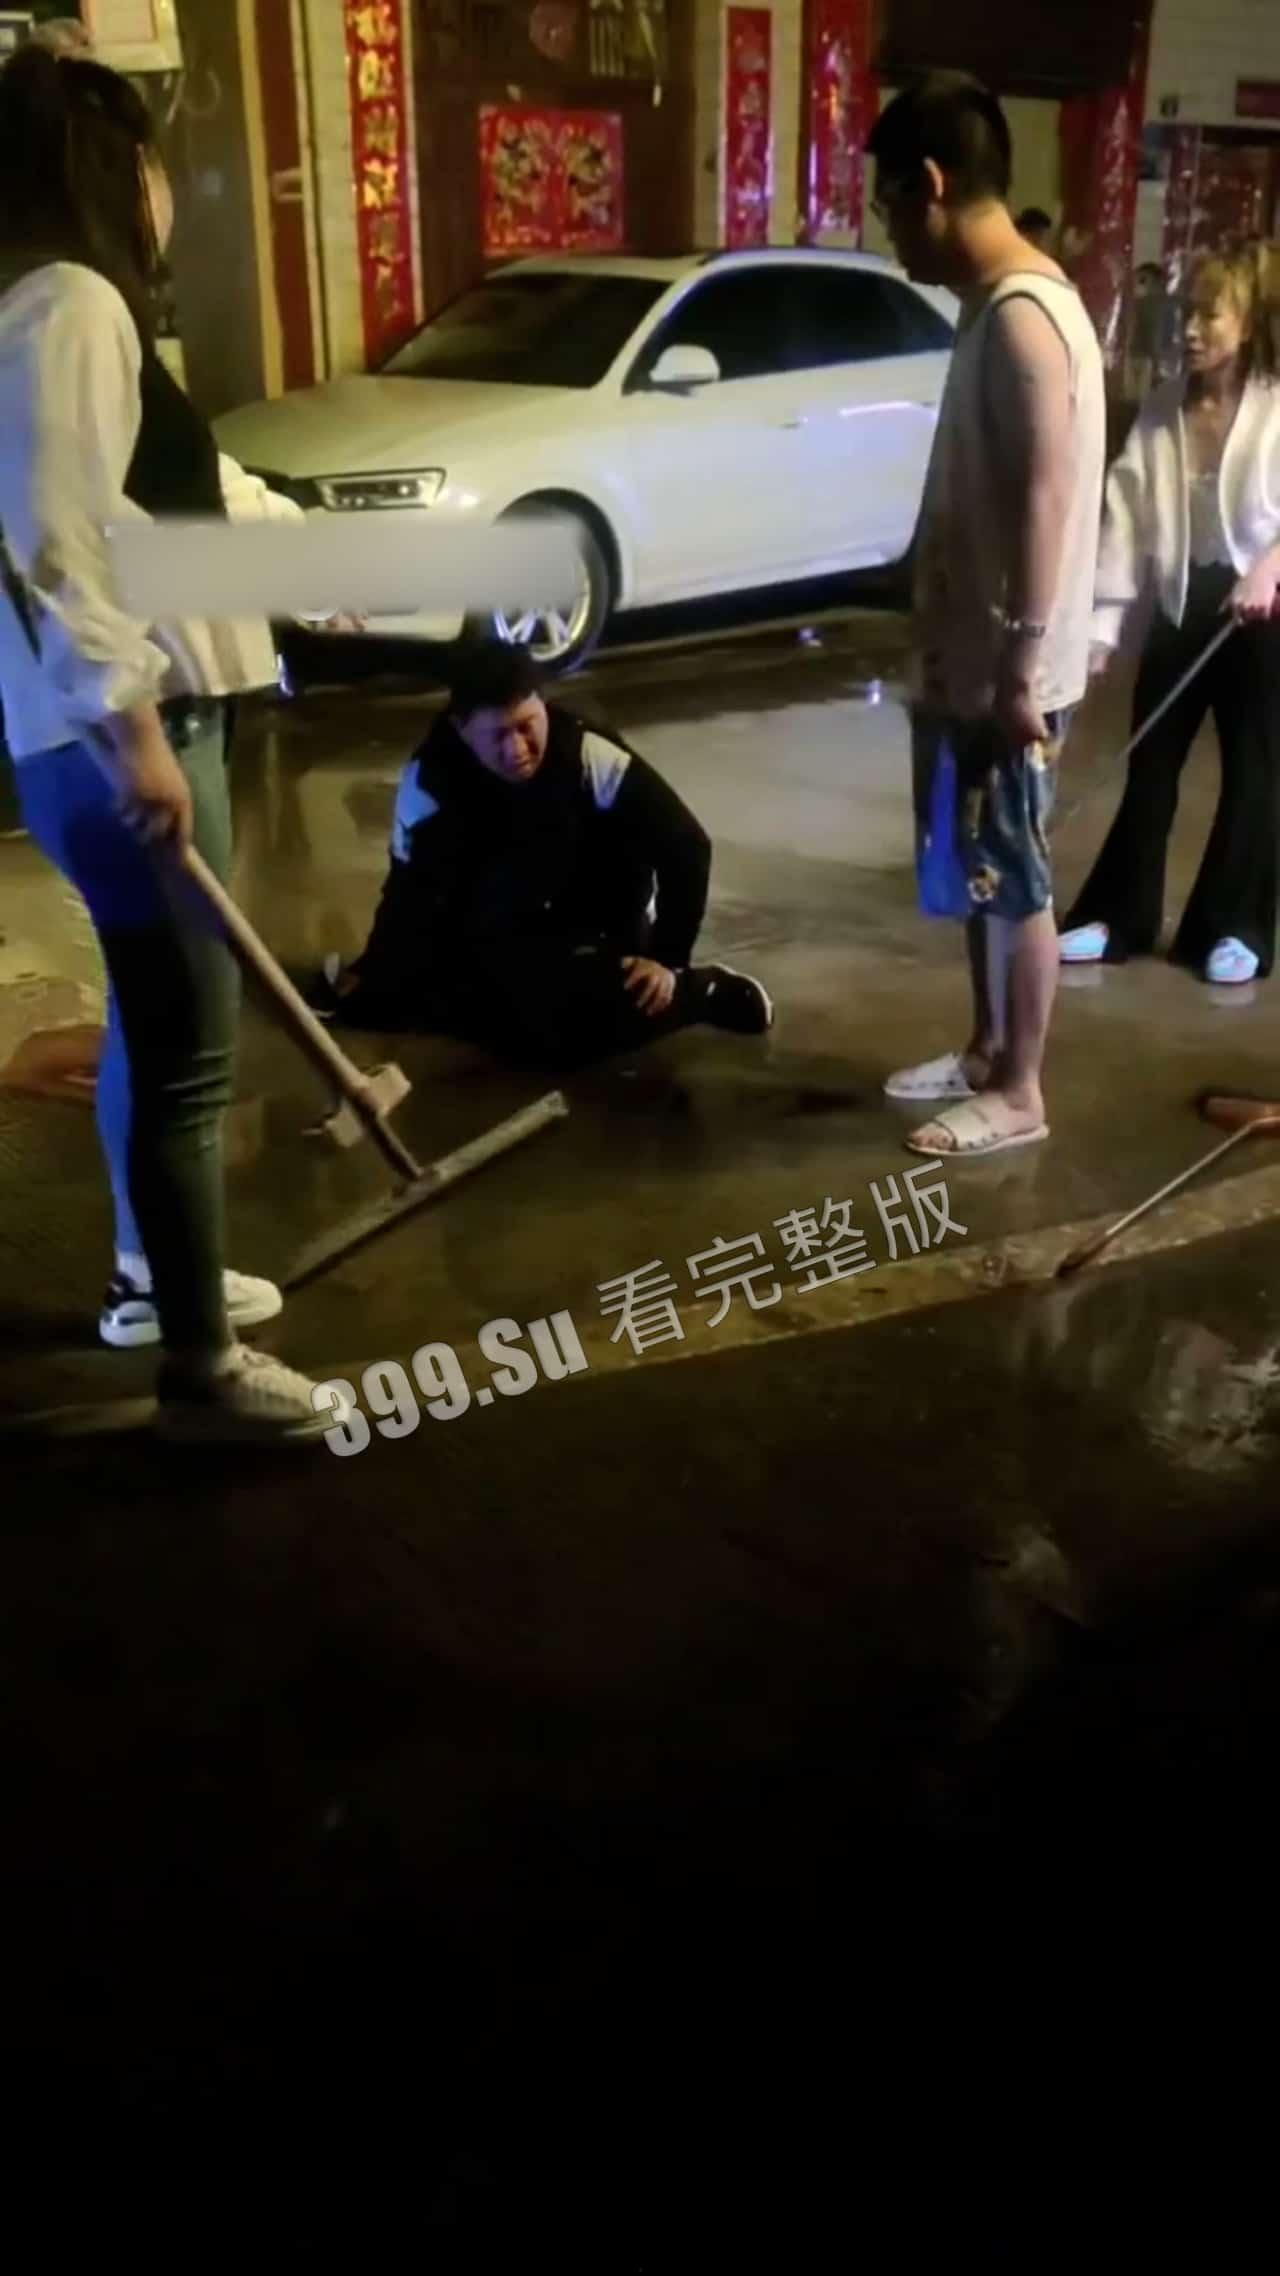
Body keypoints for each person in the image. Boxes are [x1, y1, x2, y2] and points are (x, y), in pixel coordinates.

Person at [0, 43, 334, 1441]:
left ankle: (158, 1276)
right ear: (105, 170)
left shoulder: (49, 311)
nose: (162, 188)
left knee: (157, 1025)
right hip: (126, 734)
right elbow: (60, 539)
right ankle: (202, 1364)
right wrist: (134, 730)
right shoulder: (69, 307)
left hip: (92, 731)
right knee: (191, 1049)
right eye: (149, 159)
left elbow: (166, 506)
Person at [867, 73, 1106, 1156]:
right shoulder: (995, 305)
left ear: (929, 184)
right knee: (978, 867)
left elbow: (1048, 497)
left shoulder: (1022, 318)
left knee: (1013, 877)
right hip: (970, 659)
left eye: (887, 206)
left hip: (1009, 670)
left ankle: (1020, 1089)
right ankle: (983, 1048)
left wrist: (1018, 669)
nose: (889, 234)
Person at [315, 640, 773, 1068]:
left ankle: (701, 991)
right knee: (414, 1003)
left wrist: (668, 959)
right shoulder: (429, 780)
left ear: (542, 706)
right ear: (461, 730)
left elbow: (686, 846)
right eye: (498, 735)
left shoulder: (589, 753)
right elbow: (409, 886)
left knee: (578, 1029)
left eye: (526, 726)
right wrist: (374, 968)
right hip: (510, 923)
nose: (517, 749)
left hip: (601, 916)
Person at [1059, 245, 1280, 985]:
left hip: (1263, 613)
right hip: (1183, 602)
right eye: (1185, 313)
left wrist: (1270, 568)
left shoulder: (1276, 400)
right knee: (1150, 764)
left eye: (1208, 314)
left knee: (1254, 776)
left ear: (1246, 323)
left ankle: (1235, 927)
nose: (1189, 329)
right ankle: (1116, 915)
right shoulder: (1161, 409)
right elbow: (1123, 521)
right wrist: (1101, 629)